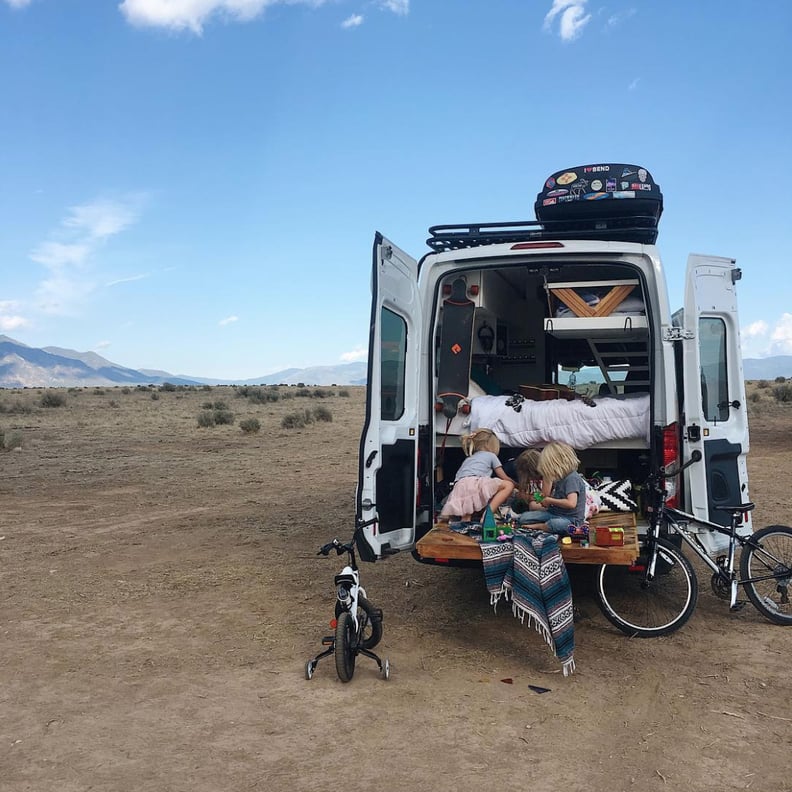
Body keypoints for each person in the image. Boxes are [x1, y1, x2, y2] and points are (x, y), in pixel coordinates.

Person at [440, 429, 515, 522]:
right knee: (508, 485)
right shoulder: (491, 456)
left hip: (460, 485)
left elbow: (459, 476)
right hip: (475, 482)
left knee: (466, 515)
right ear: (491, 444)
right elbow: (503, 477)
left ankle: (464, 527)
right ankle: (487, 515)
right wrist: (516, 484)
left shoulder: (470, 458)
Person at [517, 442, 586, 535]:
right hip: (555, 513)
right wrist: (542, 500)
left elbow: (571, 503)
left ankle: (541, 527)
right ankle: (546, 526)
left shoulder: (572, 478)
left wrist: (550, 500)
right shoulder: (559, 477)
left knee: (556, 524)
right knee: (524, 518)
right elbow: (545, 495)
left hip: (571, 520)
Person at [511, 448, 548, 513]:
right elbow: (522, 494)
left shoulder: (547, 476)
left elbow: (544, 496)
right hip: (534, 501)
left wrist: (533, 497)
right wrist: (529, 497)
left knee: (533, 505)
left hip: (548, 503)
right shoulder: (526, 479)